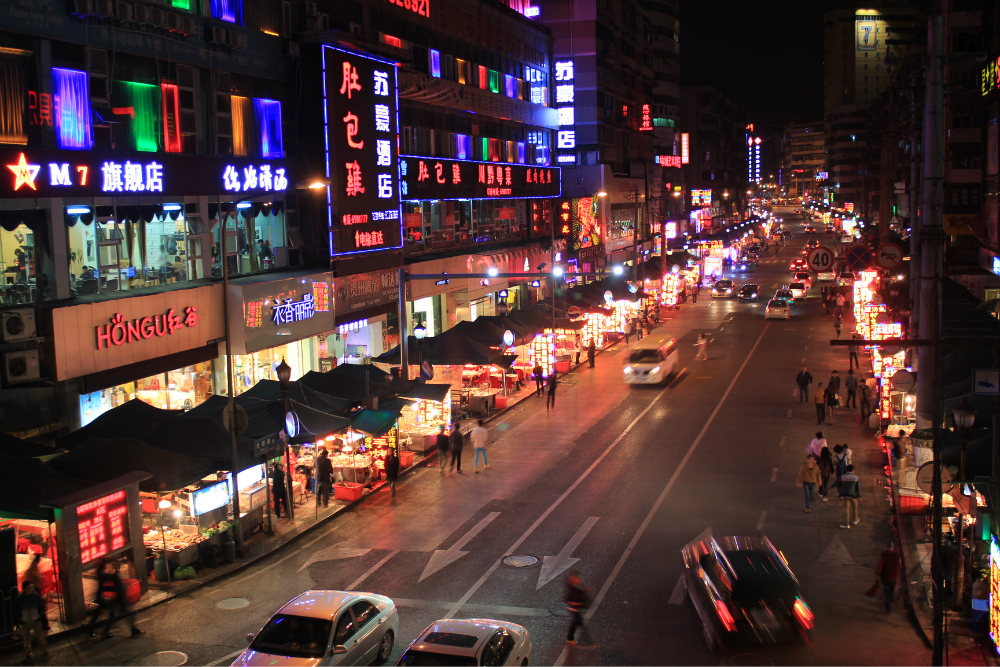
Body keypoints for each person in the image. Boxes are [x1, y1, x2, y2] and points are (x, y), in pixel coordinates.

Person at [86, 558, 141, 639]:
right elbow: (105, 586)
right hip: (112, 598)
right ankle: (101, 632)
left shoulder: (101, 574)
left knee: (101, 614)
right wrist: (116, 587)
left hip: (111, 597)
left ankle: (92, 631)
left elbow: (106, 585)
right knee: (122, 613)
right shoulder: (101, 574)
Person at [17, 581, 48, 659]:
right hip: (25, 621)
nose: (30, 589)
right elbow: (17, 610)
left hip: (36, 620)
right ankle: (28, 654)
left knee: (40, 637)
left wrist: (40, 618)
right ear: (24, 589)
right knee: (26, 640)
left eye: (31, 587)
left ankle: (44, 651)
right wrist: (20, 620)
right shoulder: (20, 599)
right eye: (28, 588)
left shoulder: (36, 596)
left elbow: (40, 607)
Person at [565, 571, 595, 647]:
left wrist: (587, 589)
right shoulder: (573, 589)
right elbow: (568, 599)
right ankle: (589, 643)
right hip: (574, 609)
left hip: (577, 609)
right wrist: (577, 603)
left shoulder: (578, 586)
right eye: (578, 579)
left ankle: (570, 638)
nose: (580, 580)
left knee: (576, 624)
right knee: (581, 625)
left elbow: (582, 589)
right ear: (574, 580)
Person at [875, 541, 902, 612]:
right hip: (894, 577)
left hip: (885, 577)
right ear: (892, 547)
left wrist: (877, 574)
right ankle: (890, 601)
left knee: (886, 592)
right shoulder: (897, 555)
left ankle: (888, 607)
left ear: (886, 547)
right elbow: (900, 565)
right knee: (892, 591)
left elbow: (879, 566)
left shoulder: (883, 555)